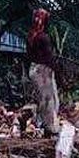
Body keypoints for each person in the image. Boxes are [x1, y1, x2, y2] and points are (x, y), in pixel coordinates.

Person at [27, 8, 60, 136]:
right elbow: (49, 57)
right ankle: (49, 128)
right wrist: (58, 72)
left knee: (43, 100)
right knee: (50, 100)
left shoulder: (31, 36)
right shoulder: (43, 37)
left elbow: (29, 55)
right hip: (43, 70)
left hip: (34, 68)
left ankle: (43, 125)